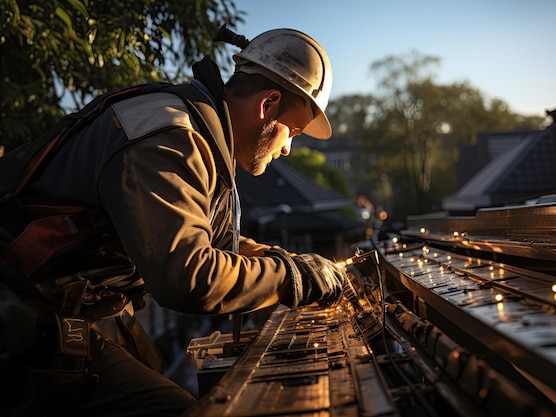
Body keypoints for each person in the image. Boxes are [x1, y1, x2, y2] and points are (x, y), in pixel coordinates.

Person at [0, 27, 345, 416]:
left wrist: (289, 261)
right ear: (268, 105)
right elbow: (188, 275)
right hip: (20, 317)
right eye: (292, 132)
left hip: (57, 311)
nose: (287, 148)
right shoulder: (167, 139)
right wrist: (292, 278)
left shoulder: (201, 133)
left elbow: (214, 242)